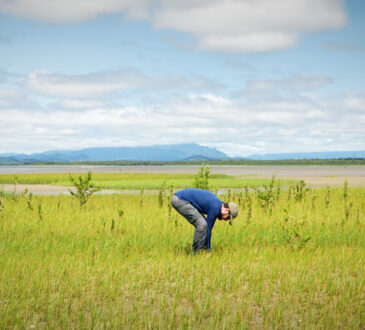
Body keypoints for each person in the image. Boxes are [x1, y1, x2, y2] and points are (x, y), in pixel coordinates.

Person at [171, 188, 238, 253]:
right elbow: (208, 230)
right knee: (202, 225)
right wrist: (209, 249)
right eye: (228, 217)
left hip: (181, 198)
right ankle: (196, 253)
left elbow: (208, 230)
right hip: (180, 200)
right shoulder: (216, 208)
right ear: (226, 210)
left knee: (203, 225)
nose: (226, 220)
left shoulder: (218, 204)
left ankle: (200, 251)